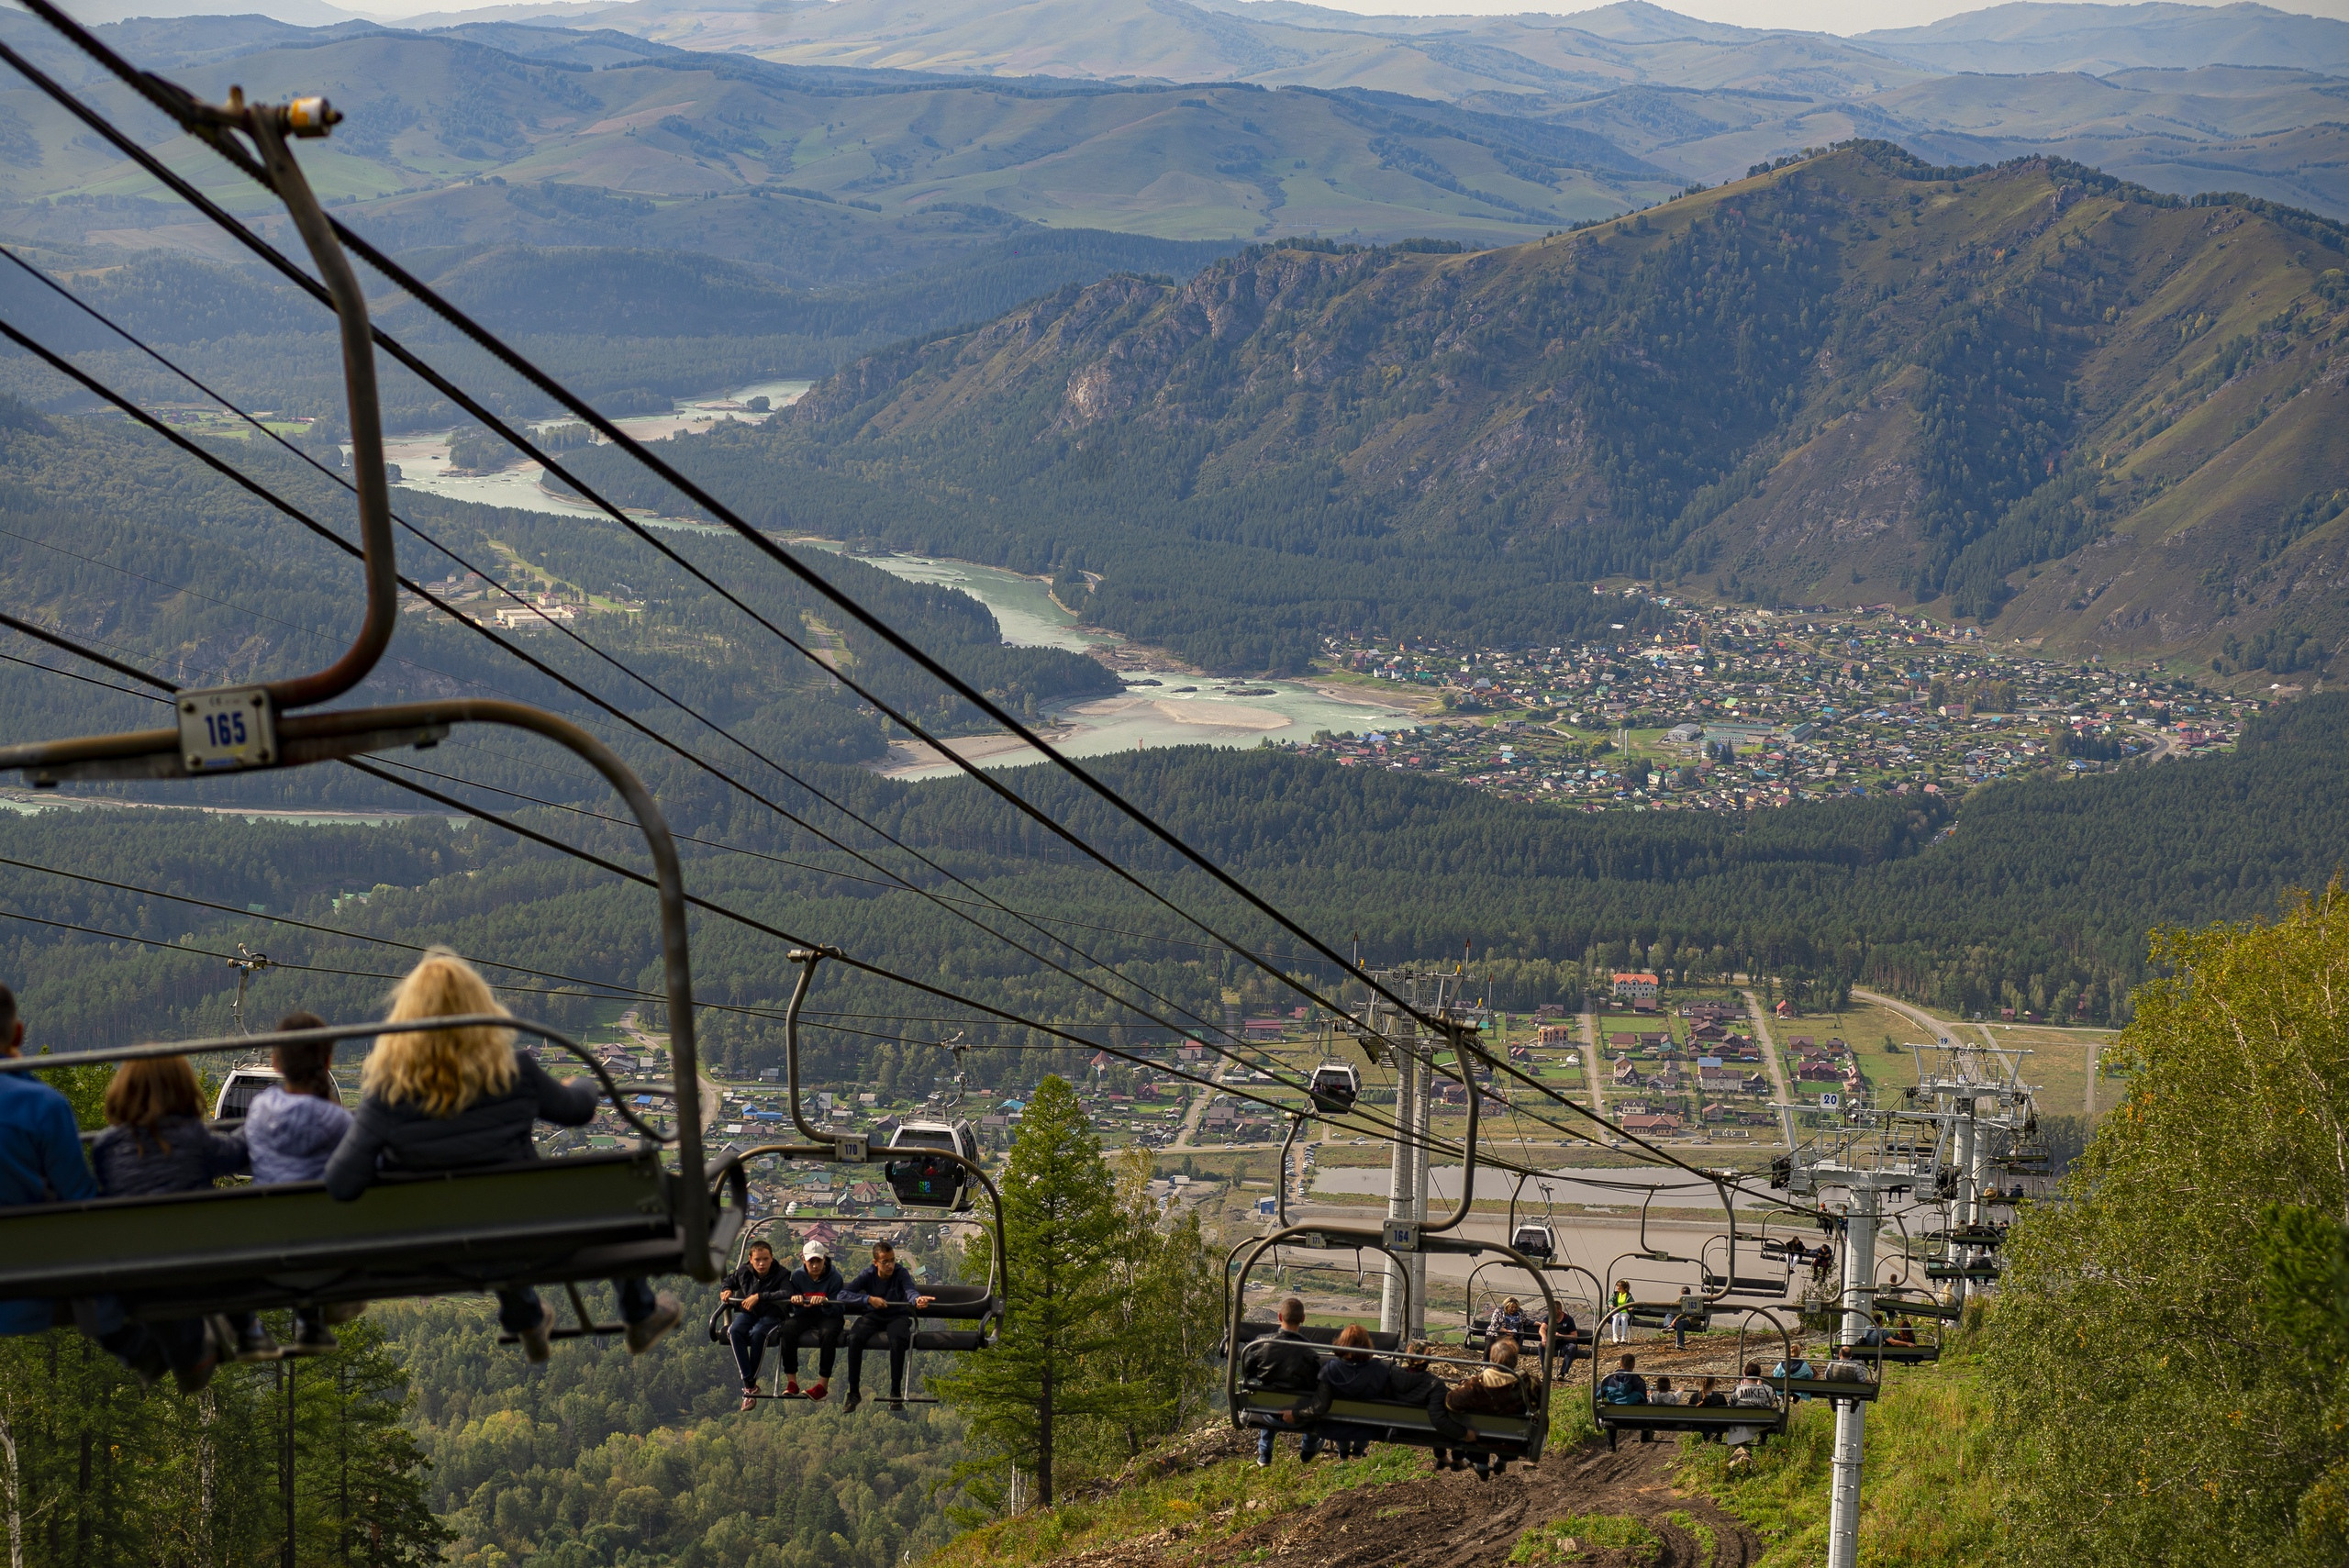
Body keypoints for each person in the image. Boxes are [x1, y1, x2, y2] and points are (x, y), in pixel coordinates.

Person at [324, 950, 681, 1362]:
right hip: (529, 1238)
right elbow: (577, 1111)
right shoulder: (513, 1072)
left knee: (480, 1215)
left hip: (434, 1254)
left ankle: (526, 1317)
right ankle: (639, 1313)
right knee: (612, 1191)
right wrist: (582, 1081)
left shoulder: (386, 1094)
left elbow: (342, 1182)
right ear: (480, 1009)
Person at [0, 986, 180, 1388]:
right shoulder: (43, 1106)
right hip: (30, 1272)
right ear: (17, 1035)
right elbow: (78, 1198)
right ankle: (135, 1346)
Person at [92, 1055, 250, 1371]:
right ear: (183, 1090)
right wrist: (256, 1119)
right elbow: (236, 1155)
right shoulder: (194, 1137)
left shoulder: (105, 1147)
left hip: (131, 1270)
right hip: (197, 1265)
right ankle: (217, 1340)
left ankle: (155, 1352)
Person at [242, 1011, 356, 1354]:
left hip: (266, 1242)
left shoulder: (260, 1110)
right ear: (328, 1061)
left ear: (275, 1062)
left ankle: (249, 1329)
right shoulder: (338, 1121)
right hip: (324, 1248)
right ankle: (314, 1322)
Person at [840, 1240, 936, 1412]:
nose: (890, 1265)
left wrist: (917, 1300)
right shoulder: (868, 1275)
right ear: (875, 1263)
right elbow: (843, 1294)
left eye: (892, 1260)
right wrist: (868, 1299)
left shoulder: (901, 1273)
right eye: (885, 1262)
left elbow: (909, 1290)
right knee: (854, 1338)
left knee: (898, 1339)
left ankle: (895, 1391)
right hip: (873, 1315)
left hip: (897, 1315)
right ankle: (853, 1392)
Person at [1285, 1323, 1387, 1460]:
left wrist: (1296, 1414)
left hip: (1336, 1426)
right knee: (1365, 1417)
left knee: (1339, 1417)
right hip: (1366, 1428)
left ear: (1342, 1344)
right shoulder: (1379, 1370)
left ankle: (1343, 1449)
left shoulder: (1331, 1370)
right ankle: (1358, 1448)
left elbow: (1320, 1405)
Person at [1241, 1296, 1322, 1466]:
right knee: (1313, 1399)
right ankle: (1308, 1449)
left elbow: (1248, 1370)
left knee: (1267, 1392)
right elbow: (1317, 1383)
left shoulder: (1262, 1344)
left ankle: (1264, 1453)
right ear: (1303, 1319)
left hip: (1269, 1413)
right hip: (1301, 1416)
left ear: (1279, 1317)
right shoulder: (1309, 1353)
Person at [1446, 1335, 1533, 1480]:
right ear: (1515, 1361)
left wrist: (1463, 1386)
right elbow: (1537, 1407)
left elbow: (1451, 1403)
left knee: (1474, 1423)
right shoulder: (1528, 1385)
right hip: (1512, 1441)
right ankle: (1503, 1459)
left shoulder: (1475, 1385)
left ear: (1491, 1360)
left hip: (1479, 1439)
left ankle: (1481, 1464)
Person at [720, 1239, 793, 1410]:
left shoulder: (781, 1273)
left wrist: (759, 1296)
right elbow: (728, 1281)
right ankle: (750, 1384)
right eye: (758, 1260)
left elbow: (787, 1292)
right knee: (734, 1331)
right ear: (750, 1260)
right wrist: (726, 1290)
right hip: (750, 1314)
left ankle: (749, 1386)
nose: (762, 1263)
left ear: (772, 1258)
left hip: (772, 1314)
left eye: (765, 1259)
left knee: (758, 1334)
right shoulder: (744, 1272)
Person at [776, 1239, 846, 1398]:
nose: (815, 1266)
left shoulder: (835, 1278)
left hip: (829, 1316)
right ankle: (792, 1381)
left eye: (818, 1261)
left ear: (824, 1259)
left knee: (828, 1334)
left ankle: (823, 1384)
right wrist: (797, 1302)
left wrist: (825, 1303)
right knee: (787, 1330)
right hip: (806, 1315)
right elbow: (792, 1306)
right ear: (803, 1260)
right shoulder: (799, 1276)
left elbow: (840, 1307)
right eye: (811, 1262)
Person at [1667, 1284, 1707, 1351]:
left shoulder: (1691, 1301)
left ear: (1681, 1293)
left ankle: (1680, 1344)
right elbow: (1674, 1307)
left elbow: (1685, 1313)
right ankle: (1669, 1326)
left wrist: (1675, 1320)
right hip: (1684, 1318)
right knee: (1669, 1314)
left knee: (1679, 1323)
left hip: (1692, 1320)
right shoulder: (1682, 1299)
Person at [1608, 1279, 1633, 1344]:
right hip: (1617, 1310)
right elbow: (1610, 1300)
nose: (1618, 1288)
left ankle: (1623, 1337)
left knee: (1624, 1318)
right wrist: (1611, 1304)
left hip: (1625, 1312)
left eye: (1619, 1287)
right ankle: (1615, 1336)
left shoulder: (1628, 1296)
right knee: (1616, 1316)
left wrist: (1631, 1307)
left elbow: (1632, 1303)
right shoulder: (1616, 1294)